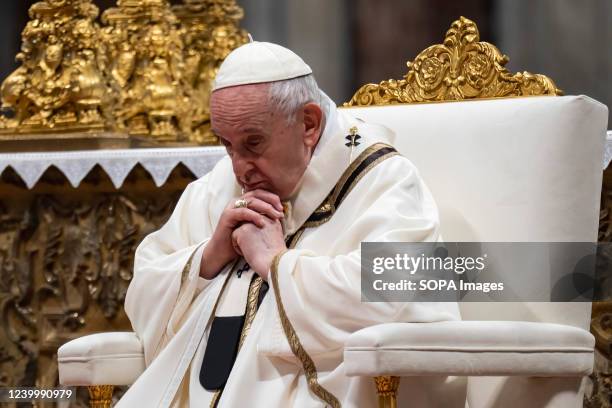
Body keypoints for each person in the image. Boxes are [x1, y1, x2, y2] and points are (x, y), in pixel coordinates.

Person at [116, 41, 459, 407]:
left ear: (309, 124)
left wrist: (277, 264)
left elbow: (399, 298)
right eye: (227, 145)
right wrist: (208, 257)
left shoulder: (382, 180)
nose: (239, 167)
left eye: (253, 143)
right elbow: (145, 285)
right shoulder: (220, 187)